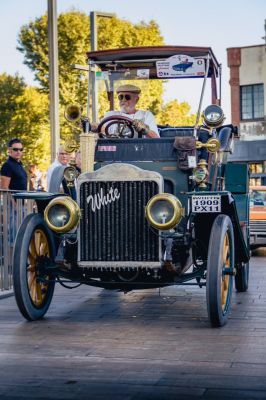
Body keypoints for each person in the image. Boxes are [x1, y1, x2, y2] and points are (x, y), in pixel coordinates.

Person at [93, 84, 159, 138]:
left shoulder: (146, 115)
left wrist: (145, 130)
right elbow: (101, 129)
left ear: (136, 100)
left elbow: (156, 139)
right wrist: (92, 126)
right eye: (121, 97)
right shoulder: (110, 115)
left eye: (127, 97)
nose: (123, 100)